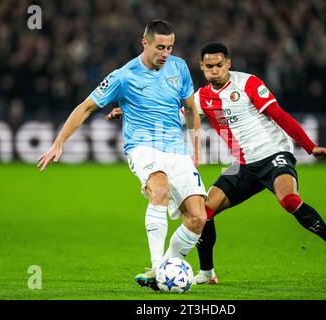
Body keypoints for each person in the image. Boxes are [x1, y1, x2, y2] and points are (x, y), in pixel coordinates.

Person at [107, 42, 326, 285]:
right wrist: (129, 112)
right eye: (209, 66)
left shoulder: (249, 84)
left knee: (289, 200)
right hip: (242, 164)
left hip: (273, 155)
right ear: (202, 67)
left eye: (219, 65)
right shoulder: (201, 97)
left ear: (228, 63)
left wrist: (311, 147)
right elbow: (171, 116)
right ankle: (207, 272)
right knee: (203, 212)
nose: (214, 70)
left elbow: (280, 116)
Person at [37, 20, 207, 291]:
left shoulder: (179, 67)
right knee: (159, 190)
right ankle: (157, 266)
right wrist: (59, 142)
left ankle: (167, 265)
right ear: (145, 43)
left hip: (176, 149)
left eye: (170, 47)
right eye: (160, 47)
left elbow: (190, 109)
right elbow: (86, 107)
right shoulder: (124, 76)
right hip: (142, 147)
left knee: (198, 218)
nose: (166, 53)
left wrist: (196, 150)